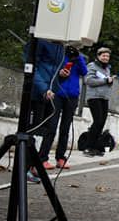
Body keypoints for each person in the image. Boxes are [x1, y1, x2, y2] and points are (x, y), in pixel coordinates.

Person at [34, 42, 87, 171]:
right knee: (51, 126)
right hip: (58, 93)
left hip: (72, 96)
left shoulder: (78, 58)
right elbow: (53, 71)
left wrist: (78, 57)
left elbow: (84, 71)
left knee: (65, 128)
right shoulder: (60, 56)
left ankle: (61, 157)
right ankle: (43, 158)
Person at [83, 46, 116, 157]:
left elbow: (105, 82)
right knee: (97, 121)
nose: (106, 58)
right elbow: (89, 80)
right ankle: (88, 147)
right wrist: (106, 80)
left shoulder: (107, 69)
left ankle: (96, 147)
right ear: (98, 56)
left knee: (101, 123)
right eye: (103, 55)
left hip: (104, 98)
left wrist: (110, 81)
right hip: (94, 97)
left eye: (107, 56)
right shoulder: (92, 66)